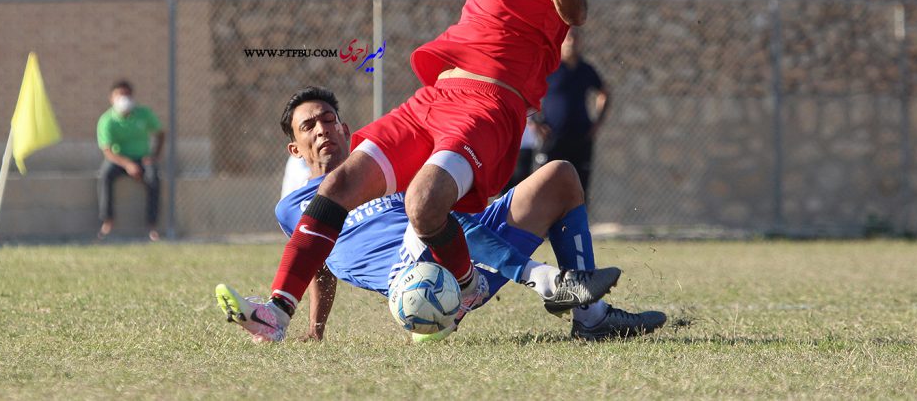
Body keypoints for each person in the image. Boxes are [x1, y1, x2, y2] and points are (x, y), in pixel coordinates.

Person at [216, 0, 588, 343]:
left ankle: (478, 287)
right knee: (338, 185)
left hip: (486, 106)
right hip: (433, 100)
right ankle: (277, 313)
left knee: (425, 203)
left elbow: (575, 11)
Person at [216, 86, 665, 342]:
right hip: (422, 282)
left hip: (466, 244)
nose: (323, 129)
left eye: (329, 119)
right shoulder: (293, 207)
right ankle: (548, 281)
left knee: (561, 176)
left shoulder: (381, 172)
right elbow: (314, 261)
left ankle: (592, 320)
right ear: (295, 148)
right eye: (309, 126)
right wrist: (316, 328)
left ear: (346, 128)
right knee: (425, 217)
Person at [535, 28, 610, 203]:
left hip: (581, 136)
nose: (572, 42)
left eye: (575, 38)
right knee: (545, 184)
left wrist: (597, 122)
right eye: (568, 38)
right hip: (553, 136)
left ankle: (576, 227)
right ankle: (542, 226)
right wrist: (537, 122)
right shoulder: (550, 68)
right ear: (561, 42)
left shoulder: (586, 70)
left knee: (580, 186)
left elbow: (603, 93)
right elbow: (530, 92)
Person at [96, 80, 164, 241]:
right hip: (119, 160)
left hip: (143, 159)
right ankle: (107, 221)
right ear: (111, 98)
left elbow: (160, 133)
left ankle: (152, 225)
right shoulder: (107, 120)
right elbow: (107, 151)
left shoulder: (144, 113)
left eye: (127, 95)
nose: (124, 98)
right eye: (120, 95)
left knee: (153, 178)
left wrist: (154, 156)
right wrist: (128, 164)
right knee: (105, 175)